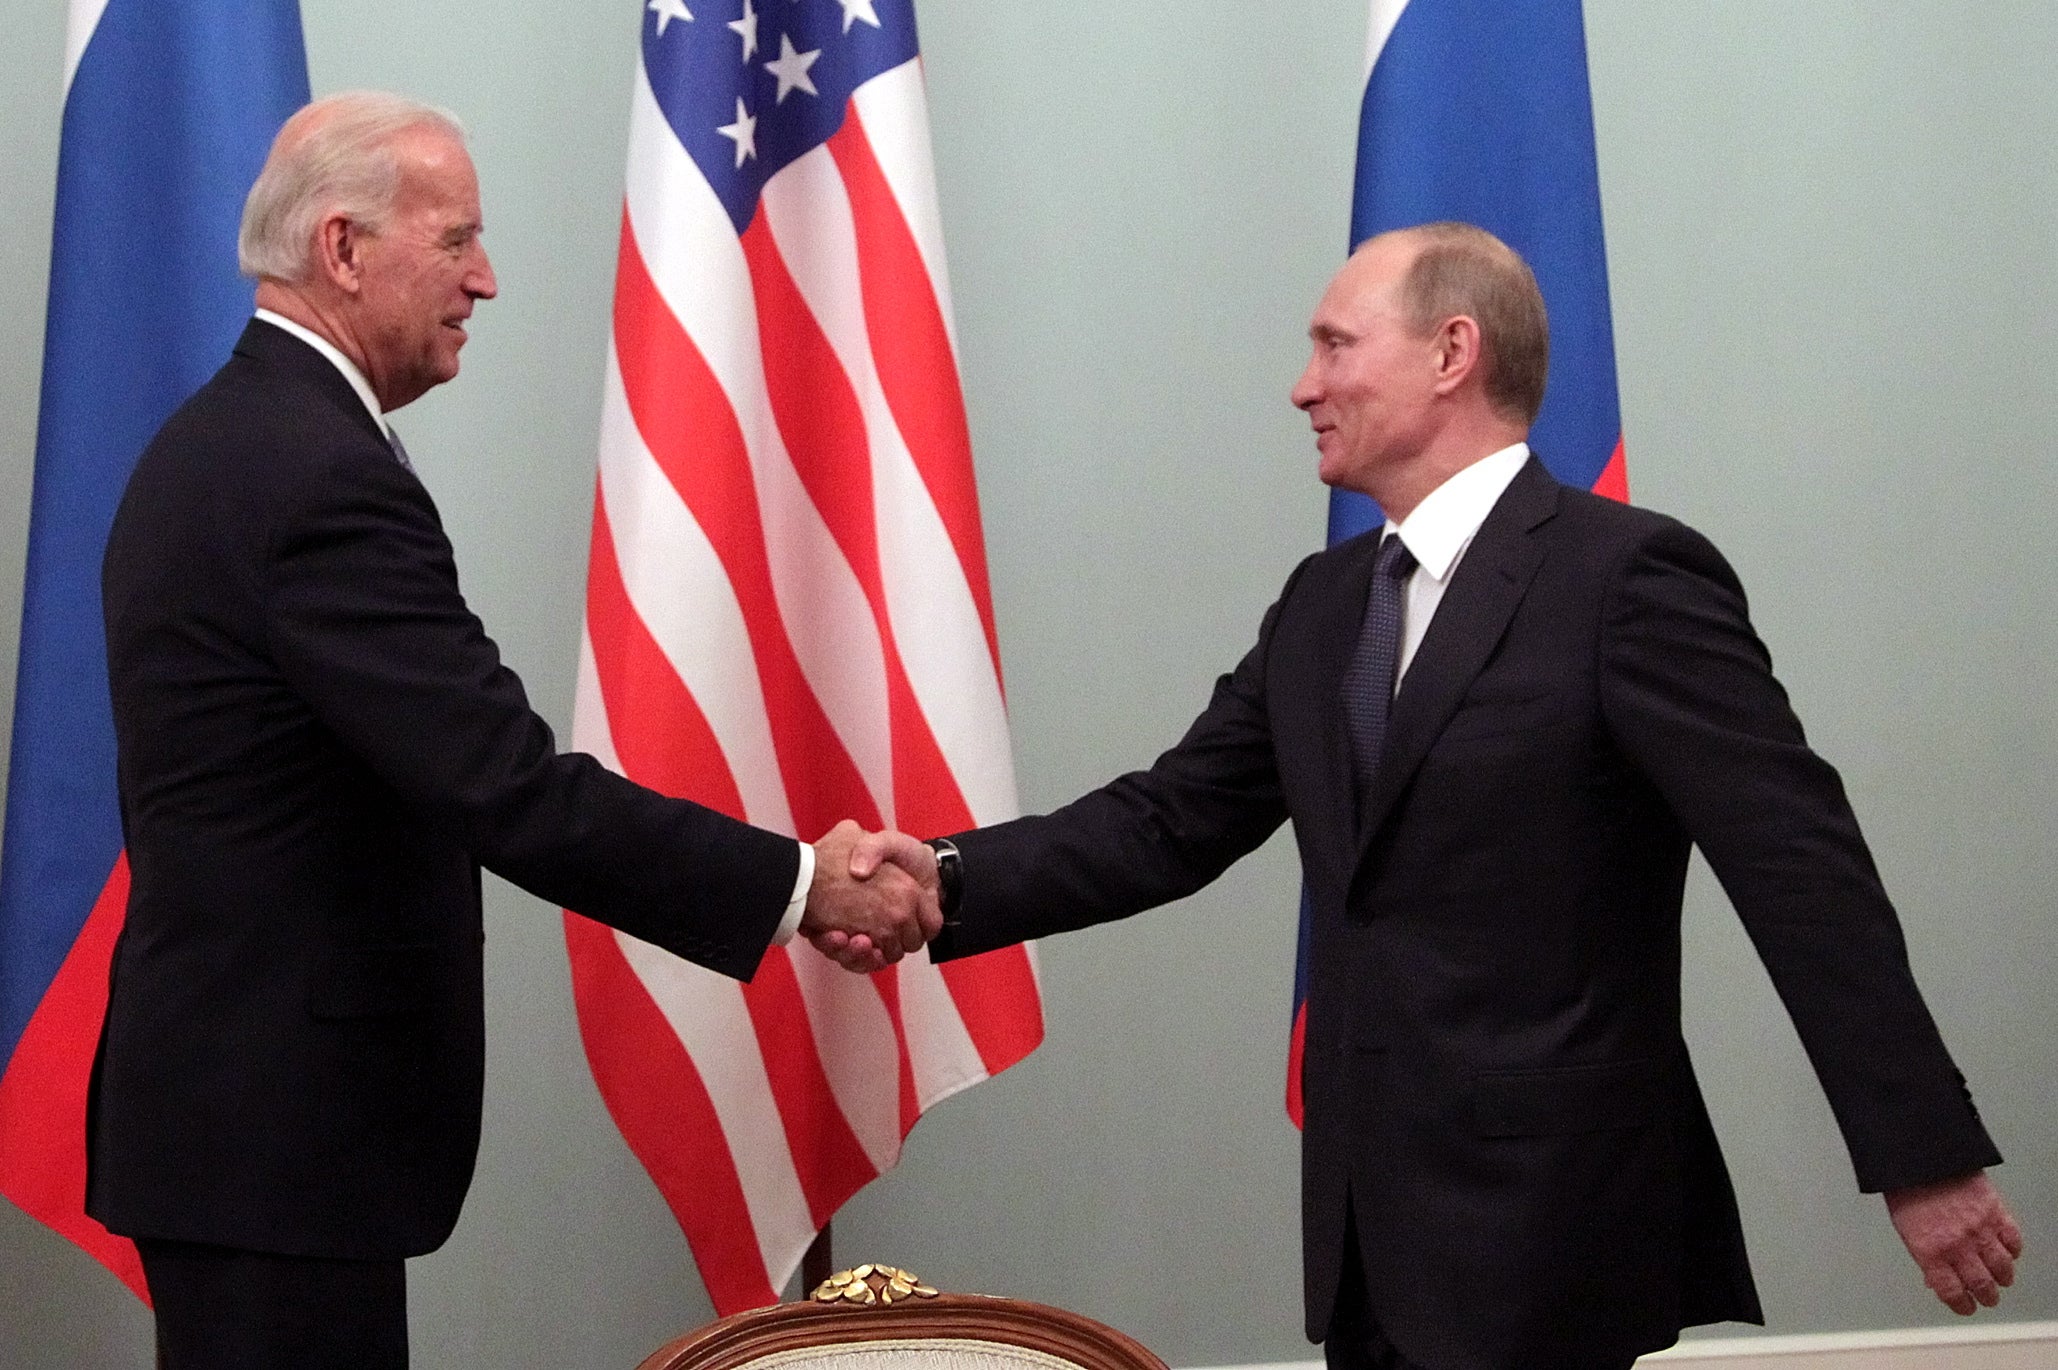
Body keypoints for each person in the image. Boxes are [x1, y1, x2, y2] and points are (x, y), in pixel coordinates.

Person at [848, 223, 2024, 1370]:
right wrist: (945, 877)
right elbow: (1171, 816)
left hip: (1552, 1219)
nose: (1302, 386)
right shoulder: (1325, 603)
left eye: (1335, 346)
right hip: (1367, 1225)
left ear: (1453, 353)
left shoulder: (1626, 577)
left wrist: (1921, 1154)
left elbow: (1800, 870)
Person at [92, 91, 929, 1369]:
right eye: (458, 239)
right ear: (344, 248)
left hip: (244, 1130)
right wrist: (801, 884)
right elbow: (505, 784)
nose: (487, 278)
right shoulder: (312, 475)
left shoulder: (226, 443)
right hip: (276, 1138)